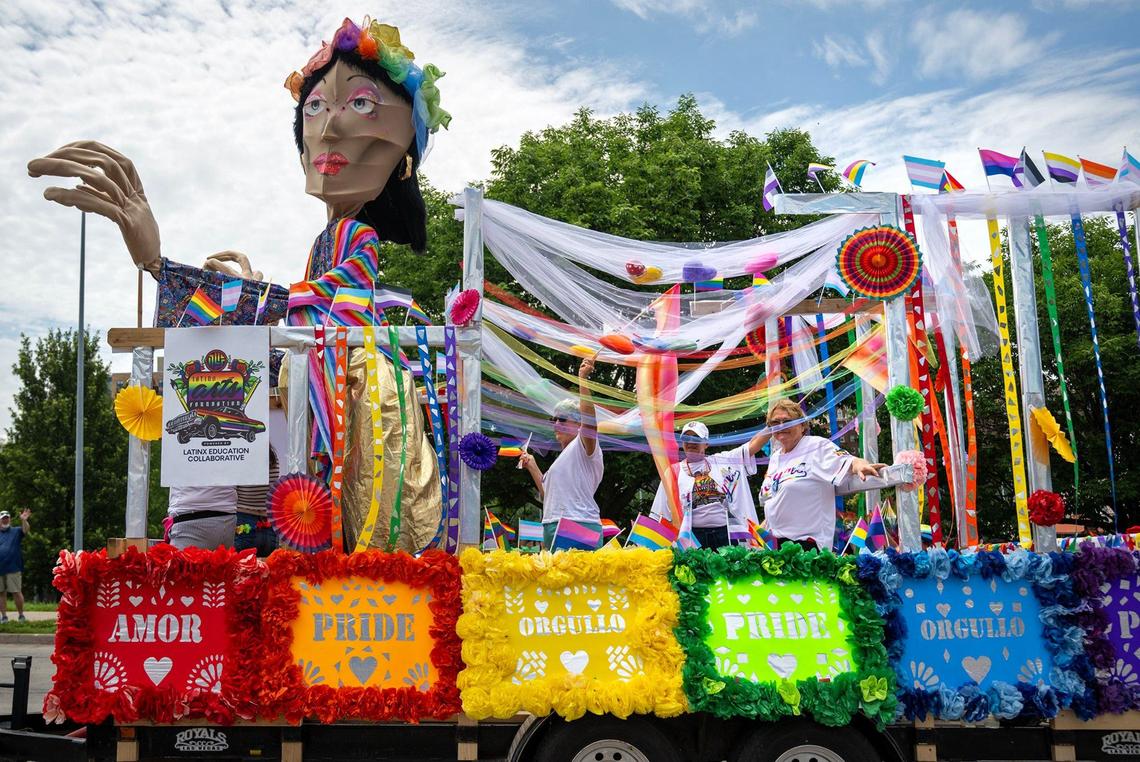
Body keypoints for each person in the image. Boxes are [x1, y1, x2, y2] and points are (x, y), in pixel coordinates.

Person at [28, 18, 449, 551]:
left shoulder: (355, 236)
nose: (330, 126)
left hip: (358, 410)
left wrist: (170, 270)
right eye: (316, 107)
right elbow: (298, 316)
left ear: (403, 156)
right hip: (321, 406)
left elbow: (324, 316)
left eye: (361, 104)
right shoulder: (328, 239)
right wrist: (243, 291)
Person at [759, 398, 885, 551]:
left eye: (787, 421)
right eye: (775, 423)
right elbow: (773, 500)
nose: (781, 426)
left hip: (806, 547)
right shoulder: (775, 458)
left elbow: (847, 461)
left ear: (802, 425)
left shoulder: (816, 446)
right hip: (775, 545)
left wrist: (860, 464)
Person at [518, 356, 603, 549]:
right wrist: (532, 465)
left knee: (576, 579)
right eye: (553, 420)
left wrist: (582, 379)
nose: (556, 424)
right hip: (553, 523)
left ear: (577, 423)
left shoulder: (583, 445)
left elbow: (590, 422)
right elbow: (548, 494)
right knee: (558, 579)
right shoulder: (562, 459)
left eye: (562, 419)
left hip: (577, 522)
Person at [650, 421, 773, 550]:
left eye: (696, 438)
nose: (691, 442)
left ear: (706, 443)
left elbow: (752, 446)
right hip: (692, 538)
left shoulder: (722, 461)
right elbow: (659, 514)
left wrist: (773, 425)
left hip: (726, 535)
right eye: (687, 438)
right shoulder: (673, 472)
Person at [0, 510, 31, 623]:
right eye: (3, 518)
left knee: (16, 592)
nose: (5, 520)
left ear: (9, 519)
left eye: (7, 518)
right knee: (1, 593)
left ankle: (21, 616)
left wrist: (24, 520)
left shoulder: (16, 531)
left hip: (13, 567)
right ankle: (3, 617)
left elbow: (26, 530)